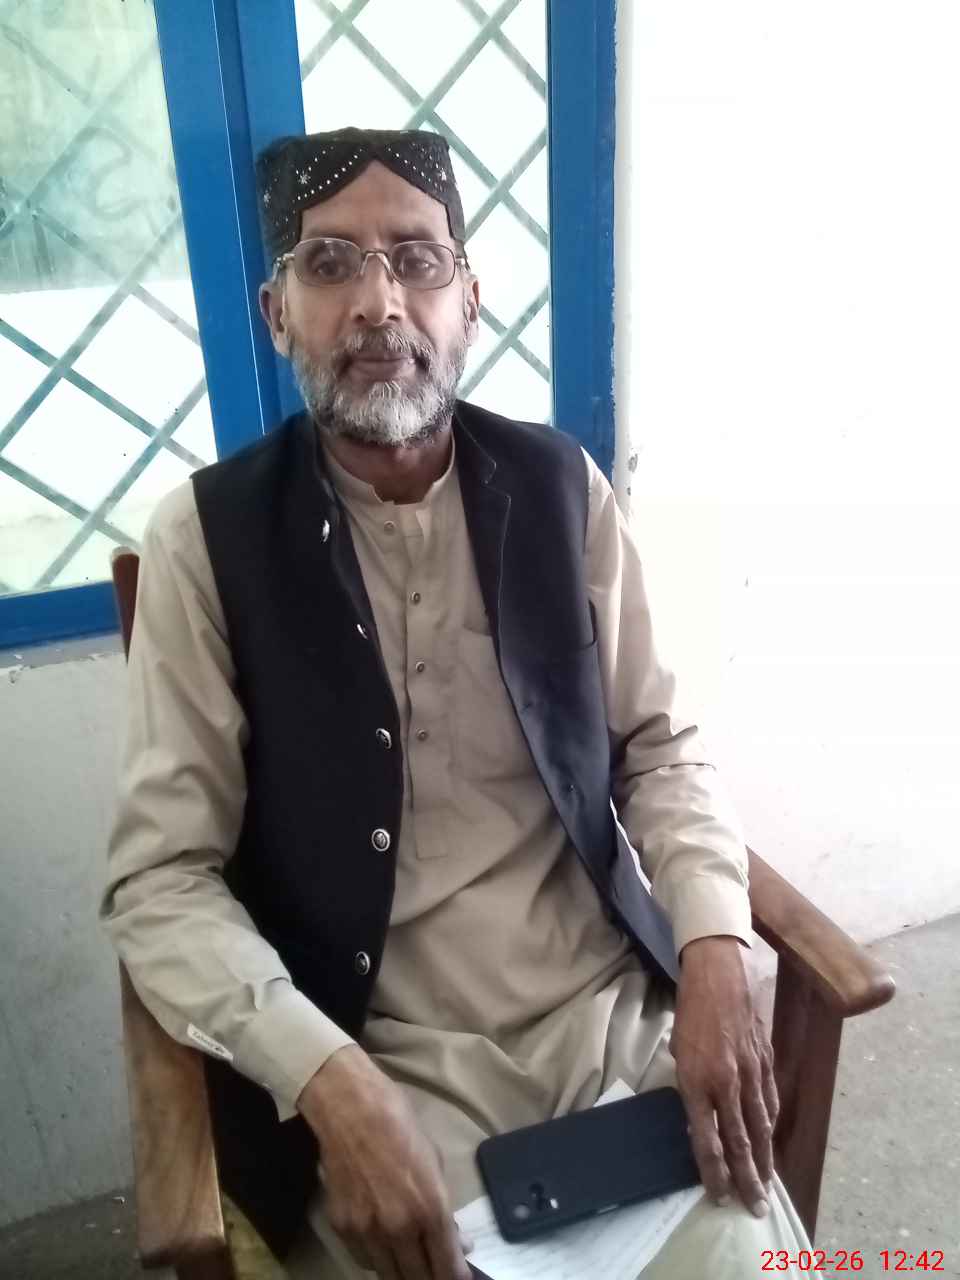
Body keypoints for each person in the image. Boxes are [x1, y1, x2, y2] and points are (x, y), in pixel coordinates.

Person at [102, 127, 811, 1279]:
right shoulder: (205, 540)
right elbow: (160, 878)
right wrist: (324, 1078)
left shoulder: (560, 488)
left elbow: (660, 747)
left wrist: (717, 943)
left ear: (470, 301)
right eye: (330, 263)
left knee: (744, 1256)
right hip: (375, 1058)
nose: (380, 304)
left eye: (418, 260)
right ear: (277, 314)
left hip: (603, 1031)